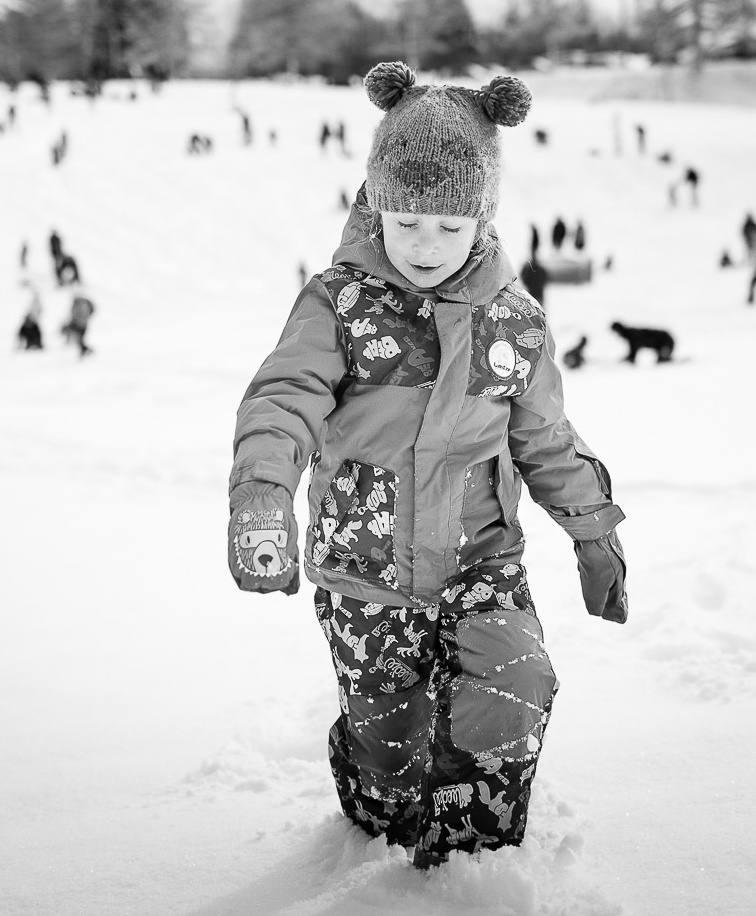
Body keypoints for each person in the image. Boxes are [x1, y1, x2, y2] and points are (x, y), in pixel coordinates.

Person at [228, 62, 626, 870]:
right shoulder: (338, 305)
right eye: (406, 221)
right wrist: (264, 490)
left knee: (511, 685)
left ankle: (468, 866)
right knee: (391, 762)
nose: (424, 245)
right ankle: (381, 808)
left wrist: (594, 533)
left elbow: (546, 438)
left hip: (482, 559)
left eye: (449, 227)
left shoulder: (514, 321)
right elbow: (285, 394)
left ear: (482, 218)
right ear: (376, 203)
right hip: (366, 572)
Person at [62, 285, 95, 356]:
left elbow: (81, 314)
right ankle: (84, 351)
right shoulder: (76, 303)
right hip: (79, 323)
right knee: (79, 339)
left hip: (81, 324)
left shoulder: (80, 304)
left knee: (79, 338)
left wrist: (78, 320)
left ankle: (85, 350)